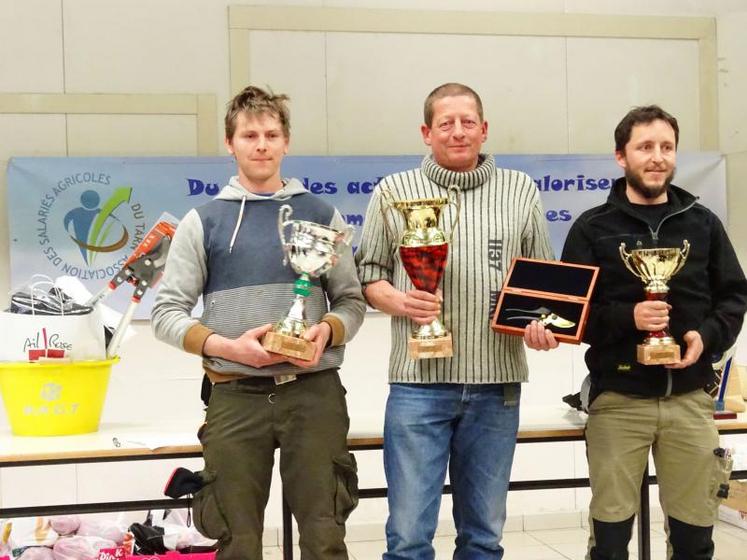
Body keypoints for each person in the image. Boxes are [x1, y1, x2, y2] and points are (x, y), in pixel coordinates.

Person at [152, 85, 366, 559]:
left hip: (313, 394)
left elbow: (351, 301)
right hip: (233, 395)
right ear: (230, 144)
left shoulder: (320, 214)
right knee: (235, 539)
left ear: (287, 142)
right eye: (250, 135)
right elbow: (166, 313)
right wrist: (229, 349)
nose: (262, 144)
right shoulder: (202, 222)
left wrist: (326, 331)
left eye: (271, 134)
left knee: (324, 534)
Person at [355, 82, 558, 560]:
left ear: (484, 130)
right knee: (407, 538)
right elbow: (367, 275)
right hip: (417, 387)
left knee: (483, 538)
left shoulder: (520, 189)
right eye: (445, 123)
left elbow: (543, 283)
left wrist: (543, 325)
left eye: (468, 122)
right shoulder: (393, 191)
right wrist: (401, 302)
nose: (458, 131)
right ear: (427, 132)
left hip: (497, 387)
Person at [561, 105, 747, 560]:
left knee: (695, 540)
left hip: (690, 401)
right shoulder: (592, 228)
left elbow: (734, 296)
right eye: (645, 147)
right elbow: (568, 315)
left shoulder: (702, 224)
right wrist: (630, 319)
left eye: (666, 147)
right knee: (609, 542)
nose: (657, 157)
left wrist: (707, 336)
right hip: (618, 402)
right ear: (621, 156)